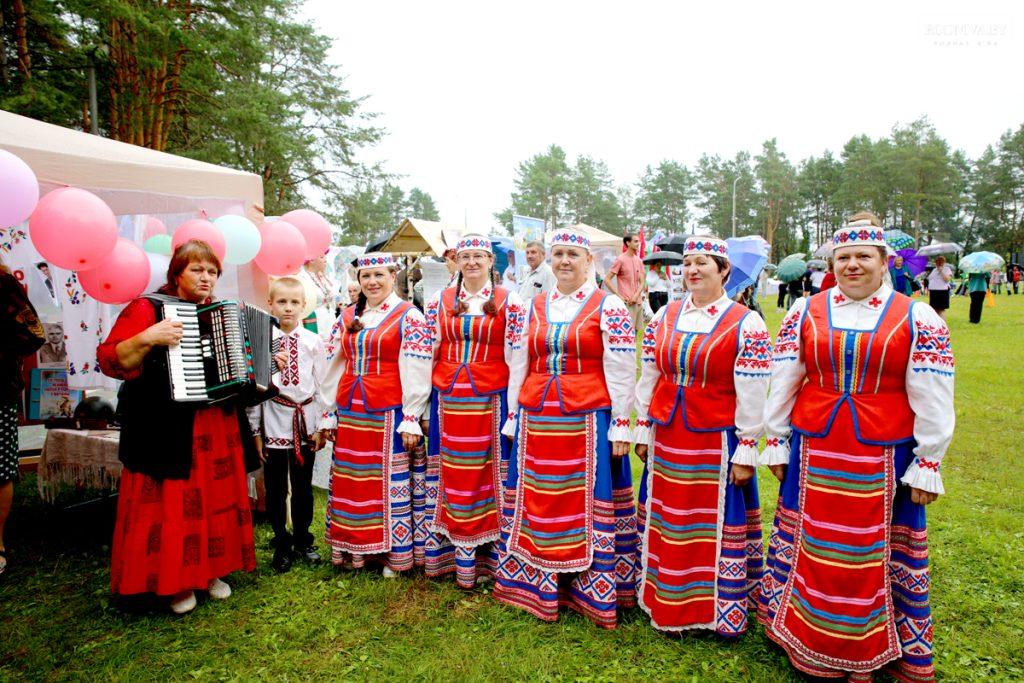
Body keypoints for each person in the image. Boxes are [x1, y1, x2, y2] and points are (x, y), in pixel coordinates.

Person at [758, 214, 955, 681]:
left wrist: (929, 459)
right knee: (814, 539)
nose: (852, 265)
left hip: (884, 453)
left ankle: (867, 644)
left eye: (863, 256)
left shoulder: (916, 316)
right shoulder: (805, 310)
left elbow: (932, 391)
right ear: (833, 263)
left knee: (870, 549)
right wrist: (777, 440)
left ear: (884, 262)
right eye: (843, 257)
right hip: (816, 449)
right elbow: (785, 380)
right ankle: (807, 637)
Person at [98, 240, 258, 614]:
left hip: (217, 424)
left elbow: (238, 372)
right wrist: (148, 337)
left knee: (217, 498)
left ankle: (212, 571)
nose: (206, 278)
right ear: (177, 274)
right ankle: (176, 581)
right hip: (165, 426)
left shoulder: (221, 311)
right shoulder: (147, 307)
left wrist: (266, 368)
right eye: (197, 270)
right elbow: (110, 359)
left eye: (212, 271)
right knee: (174, 502)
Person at [493, 228, 640, 629]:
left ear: (589, 260)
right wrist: (512, 412)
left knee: (582, 498)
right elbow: (518, 363)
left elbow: (622, 370)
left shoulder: (607, 306)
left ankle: (587, 587)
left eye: (572, 254)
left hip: (586, 418)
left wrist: (622, 426)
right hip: (538, 416)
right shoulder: (532, 306)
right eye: (558, 254)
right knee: (538, 496)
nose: (564, 261)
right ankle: (537, 580)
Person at [632, 236, 770, 636]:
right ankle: (663, 594)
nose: (691, 270)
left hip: (715, 438)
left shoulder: (746, 321)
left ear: (723, 270)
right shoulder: (664, 316)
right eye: (688, 263)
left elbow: (753, 390)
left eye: (702, 263)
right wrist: (643, 424)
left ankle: (712, 608)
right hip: (669, 431)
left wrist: (747, 446)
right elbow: (651, 373)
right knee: (668, 515)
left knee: (705, 519)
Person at [420, 235, 526, 588]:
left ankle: (491, 559)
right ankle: (453, 556)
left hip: (490, 400)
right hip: (448, 400)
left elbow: (516, 357)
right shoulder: (439, 300)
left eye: (479, 256)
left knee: (488, 474)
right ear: (456, 260)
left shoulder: (510, 301)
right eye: (465, 256)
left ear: (490, 261)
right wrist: (417, 406)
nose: (472, 263)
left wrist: (514, 408)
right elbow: (428, 351)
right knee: (452, 471)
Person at [319, 252, 431, 577]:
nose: (372, 282)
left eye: (379, 275)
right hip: (352, 410)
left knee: (386, 482)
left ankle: (391, 556)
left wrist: (411, 415)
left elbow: (417, 364)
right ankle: (354, 549)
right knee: (353, 482)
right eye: (365, 276)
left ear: (393, 275)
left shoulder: (409, 316)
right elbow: (332, 360)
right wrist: (328, 410)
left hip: (388, 411)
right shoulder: (348, 315)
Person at [247, 277, 327, 572]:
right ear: (270, 304)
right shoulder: (261, 341)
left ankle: (304, 540)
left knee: (303, 487)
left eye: (295, 302)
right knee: (277, 488)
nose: (288, 308)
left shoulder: (313, 341)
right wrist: (256, 431)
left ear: (304, 306)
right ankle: (281, 543)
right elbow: (255, 392)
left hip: (304, 421)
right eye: (282, 301)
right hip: (274, 422)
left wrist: (321, 424)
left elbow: (322, 385)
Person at [0, 257, 45, 577]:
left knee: (0, 469)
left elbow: (34, 333)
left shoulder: (4, 286)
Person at [296, 251, 339, 340]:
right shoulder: (302, 278)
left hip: (329, 322)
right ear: (311, 260)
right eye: (322, 257)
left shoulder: (322, 277)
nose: (325, 260)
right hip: (314, 325)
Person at [607, 233, 644, 335]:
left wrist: (636, 296)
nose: (638, 243)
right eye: (636, 241)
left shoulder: (639, 261)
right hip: (626, 302)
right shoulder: (620, 259)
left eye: (638, 241)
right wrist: (619, 296)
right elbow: (607, 280)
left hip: (638, 301)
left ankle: (634, 351)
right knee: (626, 334)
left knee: (636, 333)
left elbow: (642, 282)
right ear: (628, 243)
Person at [927, 256, 953, 320]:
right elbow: (930, 279)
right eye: (937, 262)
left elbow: (947, 279)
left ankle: (942, 323)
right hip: (933, 291)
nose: (939, 263)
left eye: (941, 262)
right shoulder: (934, 270)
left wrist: (941, 271)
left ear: (944, 262)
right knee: (934, 308)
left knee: (941, 309)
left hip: (942, 291)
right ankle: (936, 322)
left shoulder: (947, 269)